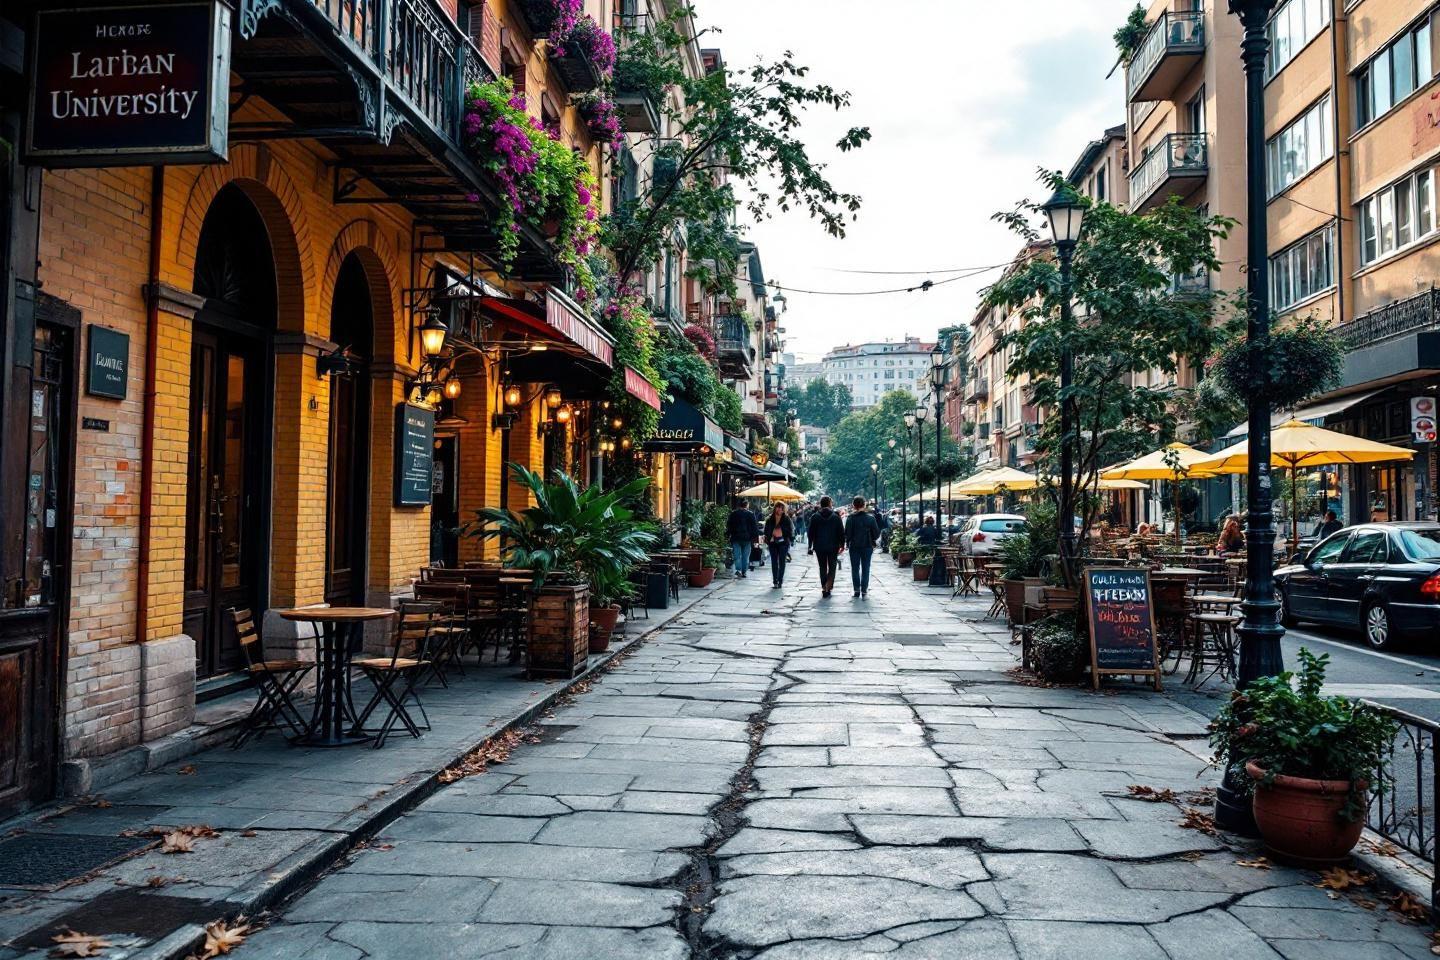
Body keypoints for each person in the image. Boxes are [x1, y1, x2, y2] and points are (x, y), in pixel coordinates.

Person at [844, 496, 882, 599]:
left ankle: (856, 590)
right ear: (864, 505)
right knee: (866, 568)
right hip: (867, 546)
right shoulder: (870, 518)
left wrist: (847, 542)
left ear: (853, 505)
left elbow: (847, 534)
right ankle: (864, 590)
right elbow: (877, 534)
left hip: (854, 546)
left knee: (855, 568)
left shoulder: (851, 518)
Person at [808, 496, 845, 598]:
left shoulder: (815, 517)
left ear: (820, 504)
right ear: (830, 504)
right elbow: (841, 532)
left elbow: (810, 533)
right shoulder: (836, 517)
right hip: (833, 546)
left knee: (822, 567)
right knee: (832, 567)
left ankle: (824, 587)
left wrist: (810, 546)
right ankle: (828, 586)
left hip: (819, 546)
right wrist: (842, 544)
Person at [763, 502, 795, 589]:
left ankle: (780, 581)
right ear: (775, 508)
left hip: (783, 543)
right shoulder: (770, 519)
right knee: (774, 562)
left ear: (784, 509)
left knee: (782, 562)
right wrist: (769, 536)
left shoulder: (787, 519)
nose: (779, 509)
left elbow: (791, 530)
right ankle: (775, 581)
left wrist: (782, 532)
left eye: (781, 508)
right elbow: (766, 530)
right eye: (778, 507)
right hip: (772, 543)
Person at [725, 501, 759, 579]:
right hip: (747, 538)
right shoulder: (750, 514)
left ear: (738, 505)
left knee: (737, 555)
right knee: (745, 556)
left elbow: (729, 526)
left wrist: (728, 535)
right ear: (747, 505)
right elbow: (754, 527)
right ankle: (744, 572)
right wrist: (755, 539)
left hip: (736, 537)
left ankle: (739, 570)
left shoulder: (733, 514)